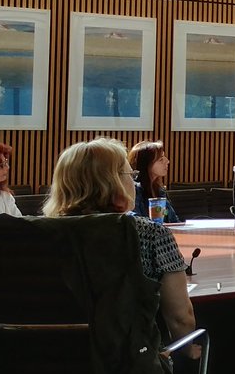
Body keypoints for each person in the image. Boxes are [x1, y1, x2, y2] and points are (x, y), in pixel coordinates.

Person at [41, 138, 198, 351]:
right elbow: (181, 319)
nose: (134, 183)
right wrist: (190, 353)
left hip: (46, 360)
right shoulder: (150, 234)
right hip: (125, 367)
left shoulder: (41, 233)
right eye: (130, 175)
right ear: (113, 182)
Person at [128, 140, 180, 223]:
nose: (167, 161)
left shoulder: (159, 190)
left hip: (164, 234)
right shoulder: (133, 190)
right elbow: (136, 221)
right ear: (146, 163)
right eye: (161, 159)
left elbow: (171, 218)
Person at [0, 141, 22, 216]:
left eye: (5, 163)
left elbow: (20, 222)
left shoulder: (4, 195)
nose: (7, 168)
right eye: (0, 165)